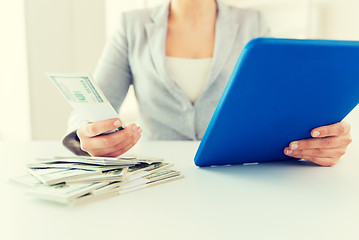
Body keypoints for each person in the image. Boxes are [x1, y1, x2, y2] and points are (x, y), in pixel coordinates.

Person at [63, 0, 352, 167]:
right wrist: (85, 135)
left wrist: (319, 135)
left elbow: (282, 106)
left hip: (235, 175)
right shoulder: (131, 26)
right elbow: (90, 109)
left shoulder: (253, 23)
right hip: (158, 176)